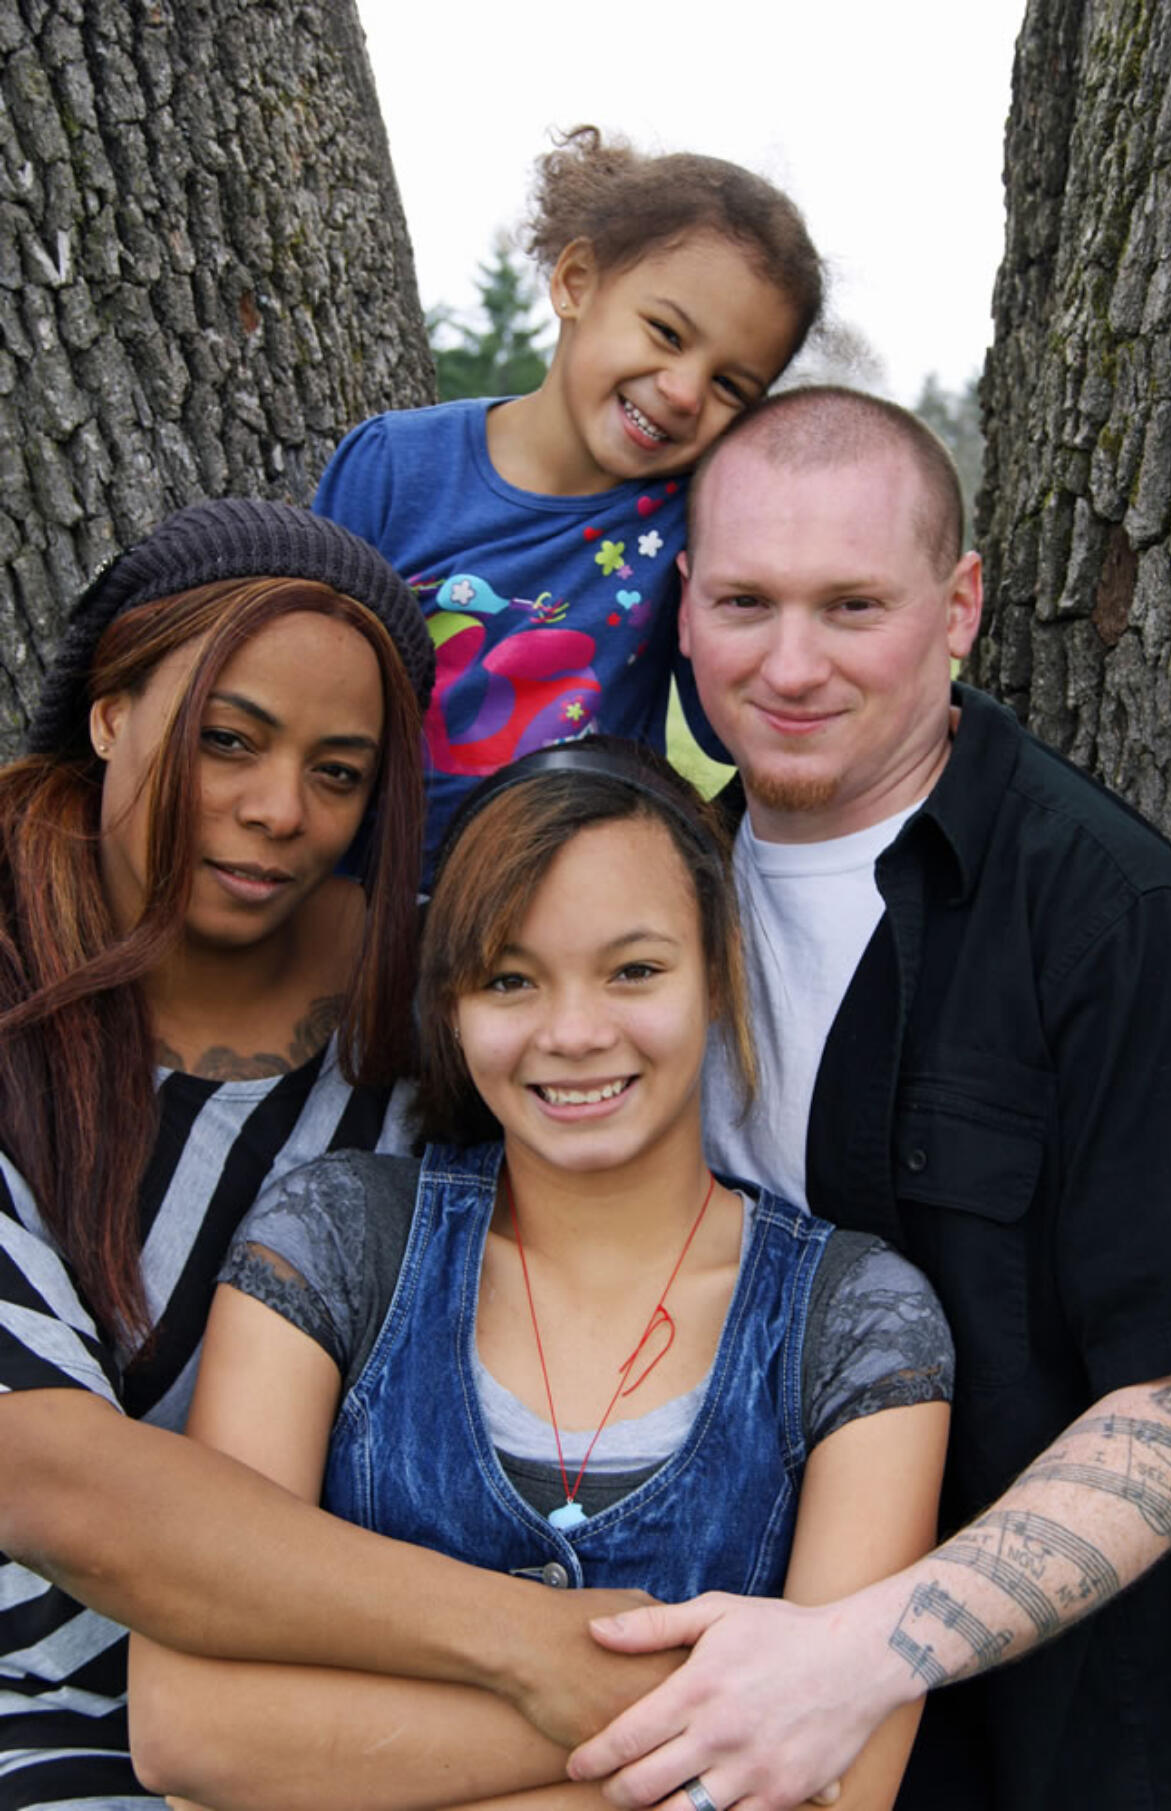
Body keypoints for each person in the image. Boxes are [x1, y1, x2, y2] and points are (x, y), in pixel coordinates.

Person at [565, 387, 1171, 1811]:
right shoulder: (634, 898)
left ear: (958, 603)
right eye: (744, 600)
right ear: (683, 609)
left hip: (1033, 1742)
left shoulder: (1110, 918)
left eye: (850, 605)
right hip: (677, 1686)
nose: (788, 663)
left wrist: (859, 1654)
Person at [128, 740, 953, 1811]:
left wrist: (330, 1759)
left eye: (633, 969)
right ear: (452, 1004)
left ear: (717, 973)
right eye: (509, 978)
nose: (573, 1031)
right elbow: (189, 1727)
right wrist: (675, 1722)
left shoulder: (854, 1322)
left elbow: (837, 1785)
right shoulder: (336, 1243)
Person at [0, 506, 653, 1811]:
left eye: (339, 770)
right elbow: (50, 1475)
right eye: (224, 740)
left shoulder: (438, 1004)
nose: (276, 811)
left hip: (345, 1695)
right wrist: (535, 1649)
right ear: (110, 709)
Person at [313, 125, 823, 878]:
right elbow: (303, 689)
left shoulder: (697, 525)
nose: (682, 393)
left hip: (566, 925)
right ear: (576, 281)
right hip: (364, 907)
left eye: (729, 387)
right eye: (665, 331)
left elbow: (725, 736)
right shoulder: (394, 466)